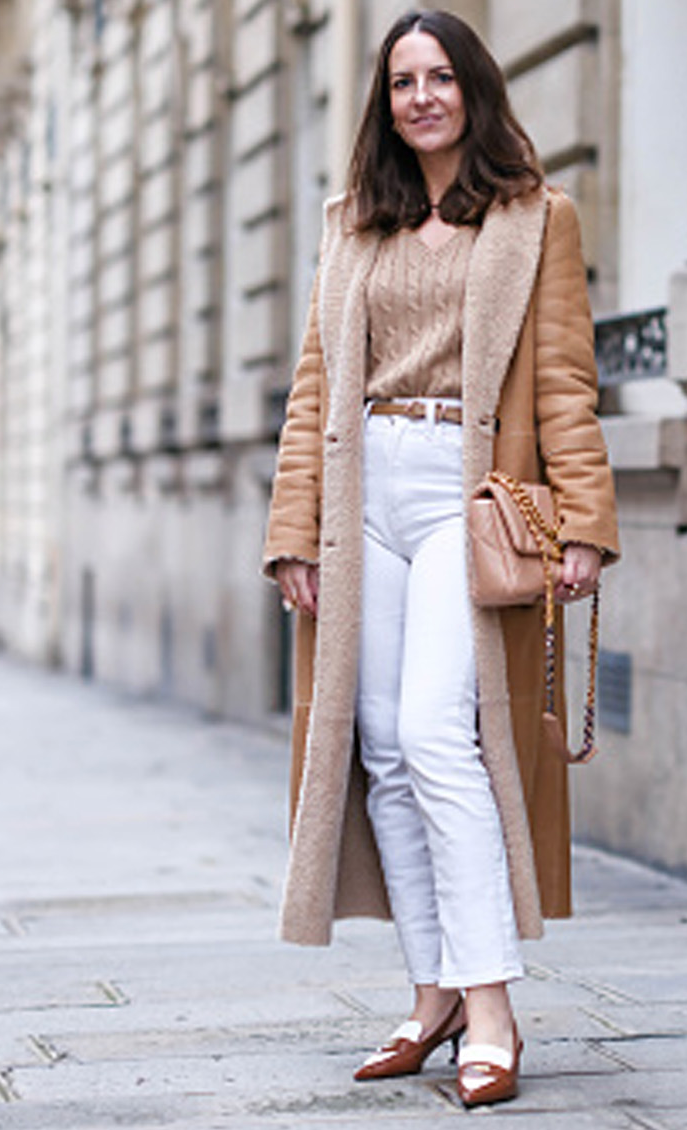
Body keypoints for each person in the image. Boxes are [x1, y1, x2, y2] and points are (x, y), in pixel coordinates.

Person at [259, 7, 619, 1110]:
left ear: (473, 88)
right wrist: (292, 532)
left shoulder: (535, 218)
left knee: (435, 734)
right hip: (361, 492)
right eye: (402, 81)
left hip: (464, 494)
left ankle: (492, 1003)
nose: (421, 97)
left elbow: (564, 380)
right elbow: (314, 388)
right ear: (386, 103)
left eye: (439, 77)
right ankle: (434, 994)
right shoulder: (351, 225)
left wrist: (583, 520)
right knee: (379, 744)